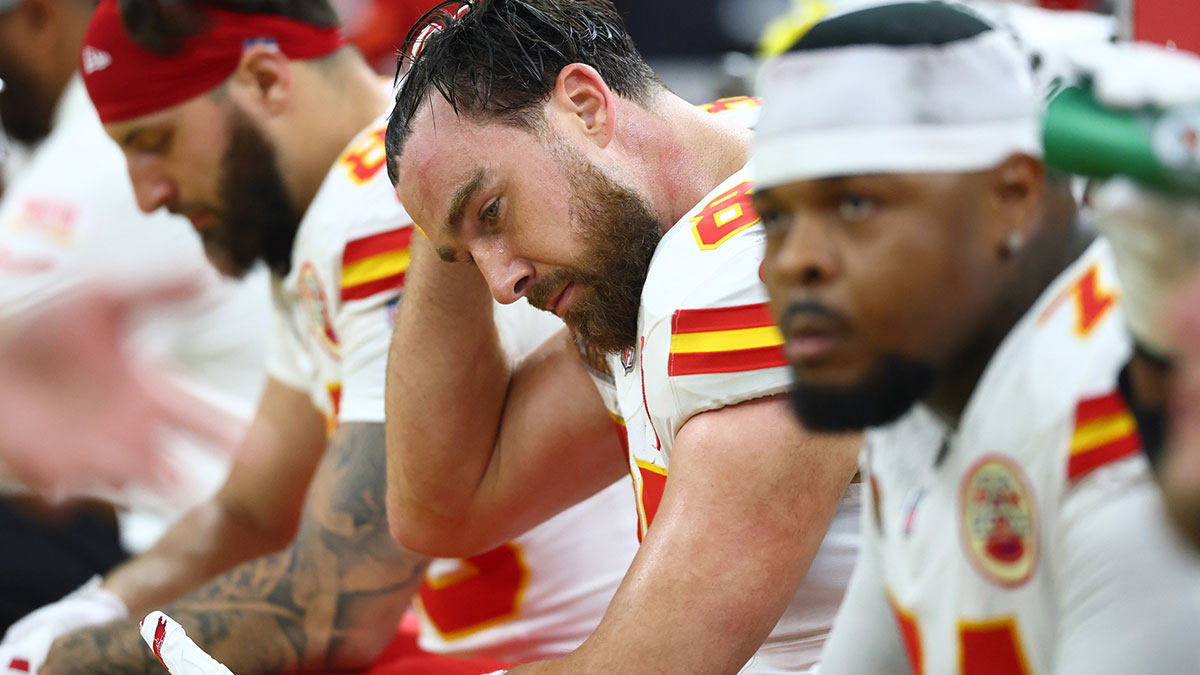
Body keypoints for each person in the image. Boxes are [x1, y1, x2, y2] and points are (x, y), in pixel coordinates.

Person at [0, 0, 636, 672]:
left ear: (268, 81)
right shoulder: (333, 204)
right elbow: (250, 512)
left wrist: (58, 659)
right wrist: (93, 607)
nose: (146, 194)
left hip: (547, 651)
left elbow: (337, 603)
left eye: (155, 143)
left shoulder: (380, 203)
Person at [384, 1, 862, 672]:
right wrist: (440, 185)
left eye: (493, 212)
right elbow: (445, 506)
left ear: (586, 105)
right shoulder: (681, 189)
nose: (501, 285)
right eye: (466, 255)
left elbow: (646, 666)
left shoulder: (752, 276)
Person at [749, 3, 1200, 672]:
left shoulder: (1127, 416)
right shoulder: (923, 363)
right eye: (776, 217)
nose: (793, 262)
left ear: (1013, 194)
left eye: (855, 204)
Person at [0, 0, 270, 632]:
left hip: (181, 538)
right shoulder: (107, 137)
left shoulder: (94, 155)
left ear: (37, 18)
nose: (153, 193)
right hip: (191, 512)